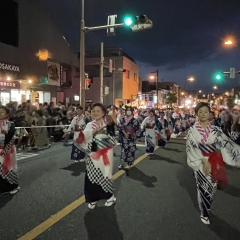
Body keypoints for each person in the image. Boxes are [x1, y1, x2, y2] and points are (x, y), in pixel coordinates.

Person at [186, 102, 240, 225]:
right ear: (196, 115)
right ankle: (204, 212)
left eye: (206, 111)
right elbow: (190, 147)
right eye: (200, 112)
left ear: (210, 114)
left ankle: (208, 203)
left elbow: (226, 143)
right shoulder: (192, 131)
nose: (203, 114)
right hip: (199, 161)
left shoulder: (216, 130)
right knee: (202, 188)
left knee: (212, 187)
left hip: (214, 161)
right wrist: (203, 161)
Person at [83, 103, 116, 209]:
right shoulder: (89, 125)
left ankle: (110, 197)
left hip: (105, 154)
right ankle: (93, 199)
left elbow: (113, 139)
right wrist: (95, 131)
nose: (96, 113)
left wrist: (103, 136)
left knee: (105, 175)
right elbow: (84, 138)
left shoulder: (108, 123)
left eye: (98, 111)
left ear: (103, 113)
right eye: (93, 111)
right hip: (93, 154)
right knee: (91, 177)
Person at [0, 106, 20, 195]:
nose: (0, 113)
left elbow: (12, 135)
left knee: (8, 169)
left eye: (2, 112)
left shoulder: (10, 124)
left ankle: (14, 185)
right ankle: (4, 187)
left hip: (7, 150)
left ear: (7, 114)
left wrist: (7, 133)